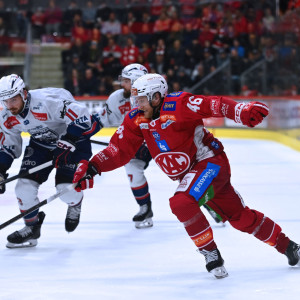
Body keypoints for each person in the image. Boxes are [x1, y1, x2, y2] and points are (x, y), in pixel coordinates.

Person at [72, 73, 300, 279]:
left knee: (181, 202)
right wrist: (93, 167)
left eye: (141, 100)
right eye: (135, 100)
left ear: (157, 97)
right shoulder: (136, 119)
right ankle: (289, 247)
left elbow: (214, 105)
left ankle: (210, 253)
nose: (136, 105)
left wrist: (241, 111)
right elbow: (118, 151)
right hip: (195, 175)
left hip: (209, 163)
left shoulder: (178, 104)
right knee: (240, 218)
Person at [0, 74, 100, 248]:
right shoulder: (5, 115)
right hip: (41, 145)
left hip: (73, 143)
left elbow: (82, 115)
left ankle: (75, 203)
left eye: (13, 99)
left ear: (24, 93)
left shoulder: (46, 101)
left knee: (64, 190)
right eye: (5, 101)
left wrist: (69, 139)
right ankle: (32, 229)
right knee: (23, 187)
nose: (10, 106)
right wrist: (0, 171)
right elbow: (8, 144)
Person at [97, 63, 153, 229]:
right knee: (132, 167)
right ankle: (145, 208)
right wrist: (81, 134)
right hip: (136, 144)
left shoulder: (154, 96)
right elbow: (101, 119)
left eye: (127, 81)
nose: (122, 84)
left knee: (181, 170)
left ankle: (210, 203)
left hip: (159, 141)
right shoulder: (116, 98)